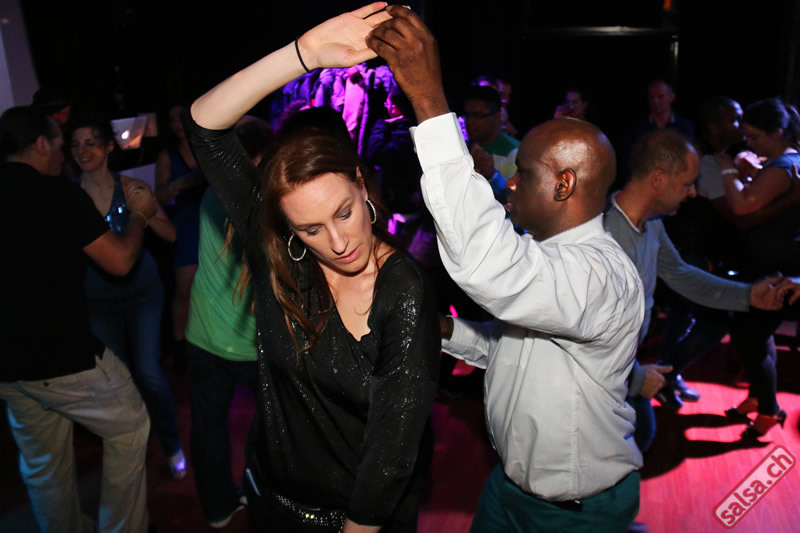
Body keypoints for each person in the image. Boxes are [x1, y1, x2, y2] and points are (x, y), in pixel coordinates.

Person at [369, 7, 645, 531]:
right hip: (509, 484)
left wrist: (429, 100)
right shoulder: (549, 259)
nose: (511, 183)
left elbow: (490, 267)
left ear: (563, 185)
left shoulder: (602, 276)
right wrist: (443, 328)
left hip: (572, 512)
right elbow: (513, 350)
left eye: (523, 172)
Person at [185, 4, 440, 531]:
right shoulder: (280, 254)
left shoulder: (402, 288)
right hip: (271, 500)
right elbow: (205, 126)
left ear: (359, 183)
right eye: (311, 229)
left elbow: (393, 448)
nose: (339, 243)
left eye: (343, 213)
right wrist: (303, 55)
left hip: (358, 519)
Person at [0, 105, 152, 533]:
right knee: (130, 427)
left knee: (44, 463)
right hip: (62, 356)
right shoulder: (57, 193)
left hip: (8, 366)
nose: (65, 155)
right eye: (61, 145)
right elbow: (120, 261)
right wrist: (140, 214)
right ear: (41, 144)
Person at [604, 129, 786, 419]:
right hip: (601, 379)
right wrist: (636, 378)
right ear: (658, 180)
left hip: (622, 367)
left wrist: (748, 294)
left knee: (644, 430)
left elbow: (679, 273)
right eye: (687, 184)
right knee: (641, 433)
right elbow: (588, 336)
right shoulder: (606, 237)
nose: (692, 193)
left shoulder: (652, 223)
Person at [69, 112, 187, 479]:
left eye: (90, 142)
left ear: (108, 147)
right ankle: (130, 452)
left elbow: (171, 235)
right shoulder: (69, 197)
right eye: (75, 144)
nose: (82, 151)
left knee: (149, 372)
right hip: (97, 299)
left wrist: (144, 214)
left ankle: (171, 445)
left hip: (142, 293)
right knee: (116, 382)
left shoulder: (133, 188)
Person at [185, 116, 275, 528]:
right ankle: (258, 499)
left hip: (204, 336)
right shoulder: (263, 209)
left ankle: (218, 507)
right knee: (270, 430)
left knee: (208, 428)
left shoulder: (210, 194)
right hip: (253, 345)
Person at [714, 97, 800, 438]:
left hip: (777, 268)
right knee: (756, 336)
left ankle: (769, 410)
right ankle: (758, 396)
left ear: (777, 133)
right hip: (771, 262)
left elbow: (742, 205)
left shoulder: (783, 167)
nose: (748, 144)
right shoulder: (783, 163)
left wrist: (727, 168)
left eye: (755, 137)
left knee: (751, 337)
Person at [155, 103, 208, 368]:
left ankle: (210, 345)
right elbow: (160, 196)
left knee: (215, 286)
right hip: (186, 225)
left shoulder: (207, 145)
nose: (177, 123)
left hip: (213, 220)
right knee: (185, 289)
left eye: (181, 117)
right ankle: (179, 349)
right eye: (172, 119)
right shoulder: (168, 155)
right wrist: (179, 184)